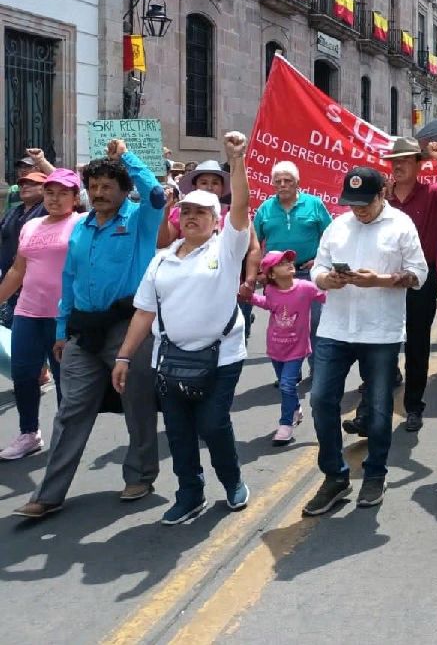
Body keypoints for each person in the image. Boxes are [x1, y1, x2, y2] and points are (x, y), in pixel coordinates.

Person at [14, 140, 165, 519]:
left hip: (127, 329)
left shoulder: (138, 221)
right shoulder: (81, 227)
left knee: (137, 404)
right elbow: (70, 278)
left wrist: (126, 157)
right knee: (70, 411)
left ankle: (141, 475)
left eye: (107, 186)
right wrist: (62, 330)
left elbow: (158, 195)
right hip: (83, 332)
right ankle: (48, 495)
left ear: (123, 190)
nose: (98, 193)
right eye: (93, 186)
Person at [112, 132, 254, 525]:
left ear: (215, 221)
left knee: (212, 423)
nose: (192, 216)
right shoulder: (161, 260)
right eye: (187, 211)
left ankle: (232, 480)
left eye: (202, 213)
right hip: (169, 359)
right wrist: (124, 355)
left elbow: (241, 206)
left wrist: (236, 159)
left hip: (221, 356)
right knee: (177, 431)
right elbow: (143, 312)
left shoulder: (226, 250)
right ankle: (189, 494)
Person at [301, 167, 427, 516]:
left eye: (365, 204)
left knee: (379, 406)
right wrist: (326, 279)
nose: (358, 210)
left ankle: (375, 473)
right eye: (352, 204)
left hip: (380, 331)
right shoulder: (338, 226)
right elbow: (317, 268)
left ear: (382, 194)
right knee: (322, 399)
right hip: (336, 328)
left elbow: (419, 274)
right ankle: (334, 476)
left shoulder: (401, 225)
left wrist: (381, 281)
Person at [378, 136, 437, 433]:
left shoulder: (432, 193)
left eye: (405, 160)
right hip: (384, 279)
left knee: (417, 344)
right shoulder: (382, 197)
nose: (398, 166)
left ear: (419, 164)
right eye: (395, 161)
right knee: (379, 341)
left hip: (421, 278)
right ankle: (374, 405)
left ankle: (414, 406)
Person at [0, 169, 83, 460]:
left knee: (64, 381)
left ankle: (66, 437)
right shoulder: (30, 226)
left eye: (63, 193)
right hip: (27, 312)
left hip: (65, 317)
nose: (55, 199)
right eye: (50, 192)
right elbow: (17, 270)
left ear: (75, 197)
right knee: (23, 375)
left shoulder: (82, 224)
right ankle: (28, 434)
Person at [160, 159, 262, 341]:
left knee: (234, 336)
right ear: (195, 186)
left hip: (234, 291)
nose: (209, 187)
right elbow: (163, 241)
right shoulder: (179, 213)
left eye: (215, 183)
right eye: (204, 182)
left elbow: (253, 248)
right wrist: (165, 212)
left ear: (223, 188)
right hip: (190, 289)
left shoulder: (236, 215)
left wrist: (250, 280)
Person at [253, 161, 333, 369]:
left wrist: (320, 260)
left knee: (315, 322)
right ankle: (289, 371)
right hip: (277, 279)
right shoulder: (265, 209)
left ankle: (318, 370)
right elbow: (253, 243)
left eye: (287, 180)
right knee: (285, 326)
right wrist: (258, 272)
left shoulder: (314, 204)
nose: (282, 185)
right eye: (277, 181)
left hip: (309, 273)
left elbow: (332, 236)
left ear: (298, 182)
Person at [251, 250, 326, 445]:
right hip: (275, 348)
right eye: (281, 263)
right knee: (286, 385)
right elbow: (268, 305)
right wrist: (249, 297)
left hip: (297, 348)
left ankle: (285, 425)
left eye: (289, 261)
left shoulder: (306, 288)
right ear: (272, 274)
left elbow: (327, 297)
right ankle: (294, 409)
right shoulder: (271, 291)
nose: (289, 264)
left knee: (286, 385)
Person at [0, 153, 52, 325]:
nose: (25, 186)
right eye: (23, 183)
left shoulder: (48, 211)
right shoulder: (12, 212)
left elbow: (65, 182)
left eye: (32, 183)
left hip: (37, 291)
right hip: (11, 288)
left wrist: (41, 162)